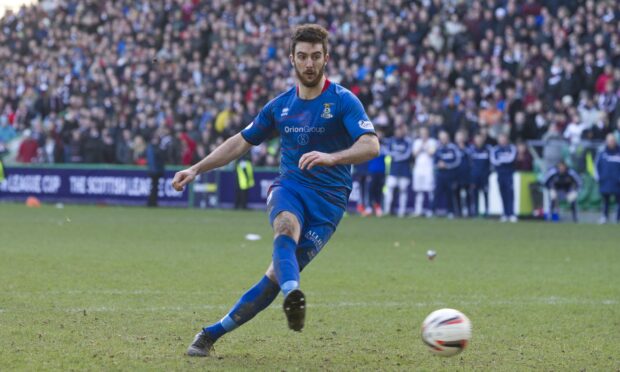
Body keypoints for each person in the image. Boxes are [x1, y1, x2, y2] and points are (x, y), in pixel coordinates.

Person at [171, 24, 379, 357]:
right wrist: (196, 168)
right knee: (284, 226)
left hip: (329, 204)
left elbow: (371, 145)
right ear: (292, 60)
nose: (308, 64)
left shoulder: (343, 101)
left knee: (274, 274)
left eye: (315, 56)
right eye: (302, 57)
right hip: (291, 187)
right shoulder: (280, 106)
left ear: (326, 58)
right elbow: (241, 141)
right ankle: (293, 293)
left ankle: (209, 334)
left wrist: (332, 157)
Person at [383, 125, 413, 217]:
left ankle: (401, 211)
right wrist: (396, 155)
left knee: (403, 191)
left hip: (404, 170)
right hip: (393, 170)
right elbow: (386, 151)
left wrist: (396, 156)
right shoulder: (391, 141)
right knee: (389, 190)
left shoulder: (407, 142)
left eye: (400, 131)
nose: (398, 133)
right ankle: (387, 210)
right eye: (397, 131)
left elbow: (408, 154)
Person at [432, 130, 461, 218]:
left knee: (450, 193)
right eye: (441, 138)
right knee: (437, 193)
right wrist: (438, 165)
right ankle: (433, 211)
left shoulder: (453, 148)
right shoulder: (439, 148)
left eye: (444, 138)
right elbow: (434, 161)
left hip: (450, 175)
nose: (443, 140)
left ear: (447, 138)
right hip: (440, 175)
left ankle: (451, 211)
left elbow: (457, 161)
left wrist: (447, 165)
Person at [491, 134, 518, 222]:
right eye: (500, 138)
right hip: (500, 174)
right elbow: (494, 160)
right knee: (502, 194)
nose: (502, 140)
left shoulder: (512, 148)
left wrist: (501, 160)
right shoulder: (495, 149)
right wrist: (504, 160)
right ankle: (505, 213)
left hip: (509, 174)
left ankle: (512, 213)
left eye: (503, 138)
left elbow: (511, 159)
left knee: (510, 194)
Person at [595, 134, 620, 224]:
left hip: (617, 182)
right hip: (605, 181)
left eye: (613, 140)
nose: (611, 142)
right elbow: (597, 166)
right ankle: (604, 216)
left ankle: (618, 218)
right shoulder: (602, 153)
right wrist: (598, 177)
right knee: (605, 201)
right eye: (609, 140)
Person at [412, 126, 437, 217]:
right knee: (418, 190)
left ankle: (430, 210)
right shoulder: (417, 142)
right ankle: (418, 210)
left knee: (430, 190)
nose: (423, 135)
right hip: (418, 169)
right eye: (421, 133)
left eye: (425, 133)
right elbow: (414, 154)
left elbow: (431, 153)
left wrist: (425, 146)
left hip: (428, 169)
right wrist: (422, 146)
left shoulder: (432, 142)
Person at [469, 133, 492, 217]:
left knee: (485, 194)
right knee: (475, 194)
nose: (478, 141)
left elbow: (491, 163)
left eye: (480, 139)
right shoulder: (471, 150)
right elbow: (469, 164)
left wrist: (488, 173)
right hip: (474, 177)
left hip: (484, 176)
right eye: (477, 139)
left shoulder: (487, 149)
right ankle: (475, 212)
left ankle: (487, 211)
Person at [454, 130, 471, 217]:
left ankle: (469, 211)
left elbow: (471, 157)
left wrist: (464, 149)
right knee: (456, 193)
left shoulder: (468, 148)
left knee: (468, 193)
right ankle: (458, 212)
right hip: (456, 175)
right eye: (458, 137)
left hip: (466, 174)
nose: (460, 139)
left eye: (461, 137)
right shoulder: (453, 148)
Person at [146, 133, 166, 207]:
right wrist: (154, 170)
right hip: (154, 171)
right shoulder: (152, 148)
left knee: (155, 187)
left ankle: (153, 202)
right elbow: (152, 161)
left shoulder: (156, 147)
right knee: (154, 187)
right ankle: (152, 202)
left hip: (157, 171)